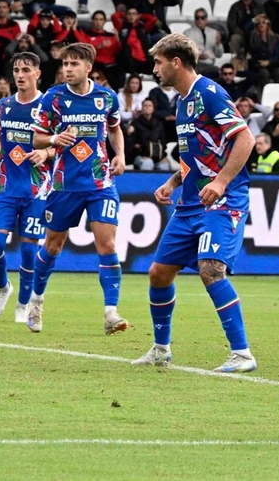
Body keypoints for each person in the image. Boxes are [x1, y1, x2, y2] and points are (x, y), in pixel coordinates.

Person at [132, 34, 259, 367]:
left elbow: (245, 139)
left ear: (176, 62)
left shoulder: (209, 93)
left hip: (223, 199)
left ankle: (242, 353)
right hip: (190, 203)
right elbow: (196, 154)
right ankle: (161, 349)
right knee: (159, 273)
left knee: (211, 270)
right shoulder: (182, 102)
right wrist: (173, 182)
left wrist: (221, 181)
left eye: (158, 62)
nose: (155, 68)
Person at [27, 42, 128, 335]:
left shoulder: (106, 97)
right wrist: (54, 140)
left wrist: (119, 155)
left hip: (100, 183)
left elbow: (114, 128)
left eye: (73, 64)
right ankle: (37, 299)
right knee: (53, 245)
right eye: (65, 64)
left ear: (88, 68)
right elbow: (35, 139)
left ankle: (111, 312)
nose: (67, 69)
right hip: (64, 184)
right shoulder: (53, 98)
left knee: (107, 244)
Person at [0, 52, 52, 323]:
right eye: (16, 70)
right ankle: (3, 288)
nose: (20, 75)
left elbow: (61, 142)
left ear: (37, 74)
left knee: (30, 250)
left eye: (26, 70)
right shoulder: (4, 105)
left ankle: (23, 303)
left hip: (38, 189)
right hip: (6, 186)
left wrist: (47, 153)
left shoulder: (49, 105)